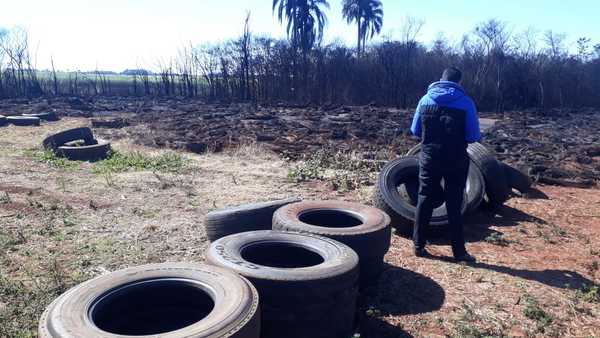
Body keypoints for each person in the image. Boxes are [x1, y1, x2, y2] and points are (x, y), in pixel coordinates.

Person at [410, 67, 480, 262]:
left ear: (441, 79)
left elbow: (415, 130)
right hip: (455, 158)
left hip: (429, 156)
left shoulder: (425, 100)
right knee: (454, 202)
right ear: (459, 82)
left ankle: (418, 245)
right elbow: (473, 136)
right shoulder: (466, 102)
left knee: (424, 197)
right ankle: (459, 252)